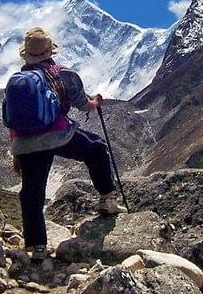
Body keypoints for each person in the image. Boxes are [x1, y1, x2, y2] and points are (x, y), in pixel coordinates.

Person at [8, 27, 125, 261]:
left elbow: (13, 121)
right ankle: (107, 200)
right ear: (50, 50)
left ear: (26, 54)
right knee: (96, 148)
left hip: (26, 143)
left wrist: (16, 151)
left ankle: (37, 246)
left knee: (32, 191)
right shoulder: (63, 74)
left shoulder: (17, 82)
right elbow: (83, 104)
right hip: (58, 135)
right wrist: (95, 102)